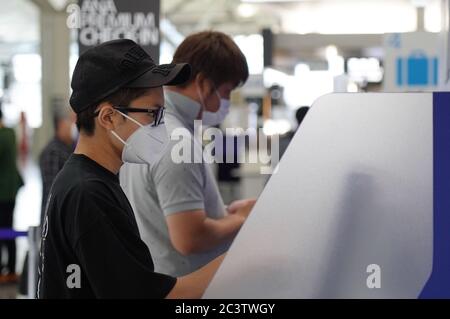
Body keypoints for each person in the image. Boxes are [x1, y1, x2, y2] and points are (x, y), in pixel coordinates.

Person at [38, 39, 223, 298]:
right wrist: (238, 259)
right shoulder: (88, 194)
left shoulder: (91, 180)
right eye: (153, 114)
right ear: (109, 117)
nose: (161, 127)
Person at [120, 31, 255, 278]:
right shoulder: (177, 142)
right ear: (203, 84)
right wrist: (242, 219)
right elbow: (189, 238)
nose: (225, 102)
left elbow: (166, 211)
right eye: (225, 92)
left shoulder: (149, 129)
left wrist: (221, 211)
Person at [19, 108, 76, 295]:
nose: (73, 126)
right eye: (70, 121)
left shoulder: (69, 147)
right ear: (60, 124)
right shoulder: (53, 152)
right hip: (53, 220)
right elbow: (55, 191)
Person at [0, 103, 24, 284]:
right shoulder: (10, 133)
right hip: (11, 189)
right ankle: (10, 268)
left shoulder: (4, 136)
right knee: (8, 227)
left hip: (4, 191)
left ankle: (6, 269)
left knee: (5, 229)